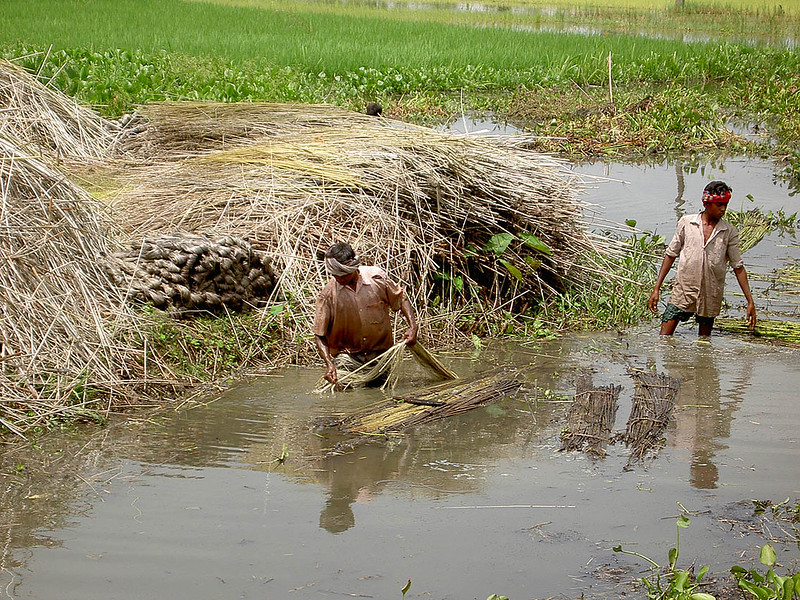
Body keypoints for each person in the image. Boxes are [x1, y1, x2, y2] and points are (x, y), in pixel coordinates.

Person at [648, 180, 756, 336]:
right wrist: (656, 288)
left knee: (704, 343)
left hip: (710, 293)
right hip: (684, 290)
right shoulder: (687, 223)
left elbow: (737, 267)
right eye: (719, 205)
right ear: (706, 204)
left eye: (725, 204)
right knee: (664, 339)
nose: (723, 209)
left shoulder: (728, 231)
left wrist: (750, 301)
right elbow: (671, 254)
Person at [313, 242, 418, 385]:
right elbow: (319, 334)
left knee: (382, 395)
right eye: (335, 275)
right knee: (343, 395)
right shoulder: (328, 295)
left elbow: (401, 298)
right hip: (348, 358)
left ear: (354, 267)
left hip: (380, 356)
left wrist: (412, 327)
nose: (340, 279)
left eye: (344, 274)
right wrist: (329, 364)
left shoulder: (377, 278)